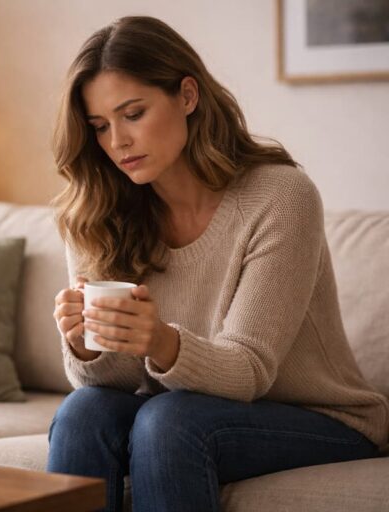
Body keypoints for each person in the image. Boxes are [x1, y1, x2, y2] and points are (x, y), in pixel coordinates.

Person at [48, 16, 388, 512]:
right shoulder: (97, 211)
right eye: (100, 126)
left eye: (133, 113)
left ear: (187, 96)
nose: (117, 141)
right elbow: (114, 384)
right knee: (84, 412)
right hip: (179, 405)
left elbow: (250, 370)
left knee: (169, 422)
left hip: (318, 416)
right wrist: (86, 346)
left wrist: (160, 340)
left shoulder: (280, 197)